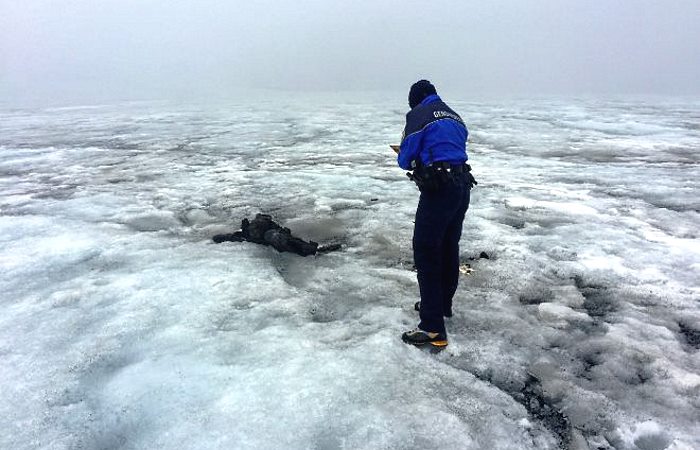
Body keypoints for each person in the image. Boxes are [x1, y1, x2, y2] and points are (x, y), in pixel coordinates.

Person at [397, 80, 476, 349]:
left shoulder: (418, 114)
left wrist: (410, 156)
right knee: (448, 247)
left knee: (426, 250)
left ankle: (432, 328)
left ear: (415, 99)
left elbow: (405, 157)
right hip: (462, 186)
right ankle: (442, 305)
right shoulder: (454, 115)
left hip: (439, 189)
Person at [213, 213, 340, 256]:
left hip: (280, 238)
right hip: (275, 238)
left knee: (292, 243)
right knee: (290, 243)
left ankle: (315, 250)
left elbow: (290, 238)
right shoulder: (249, 233)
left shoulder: (272, 231)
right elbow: (234, 236)